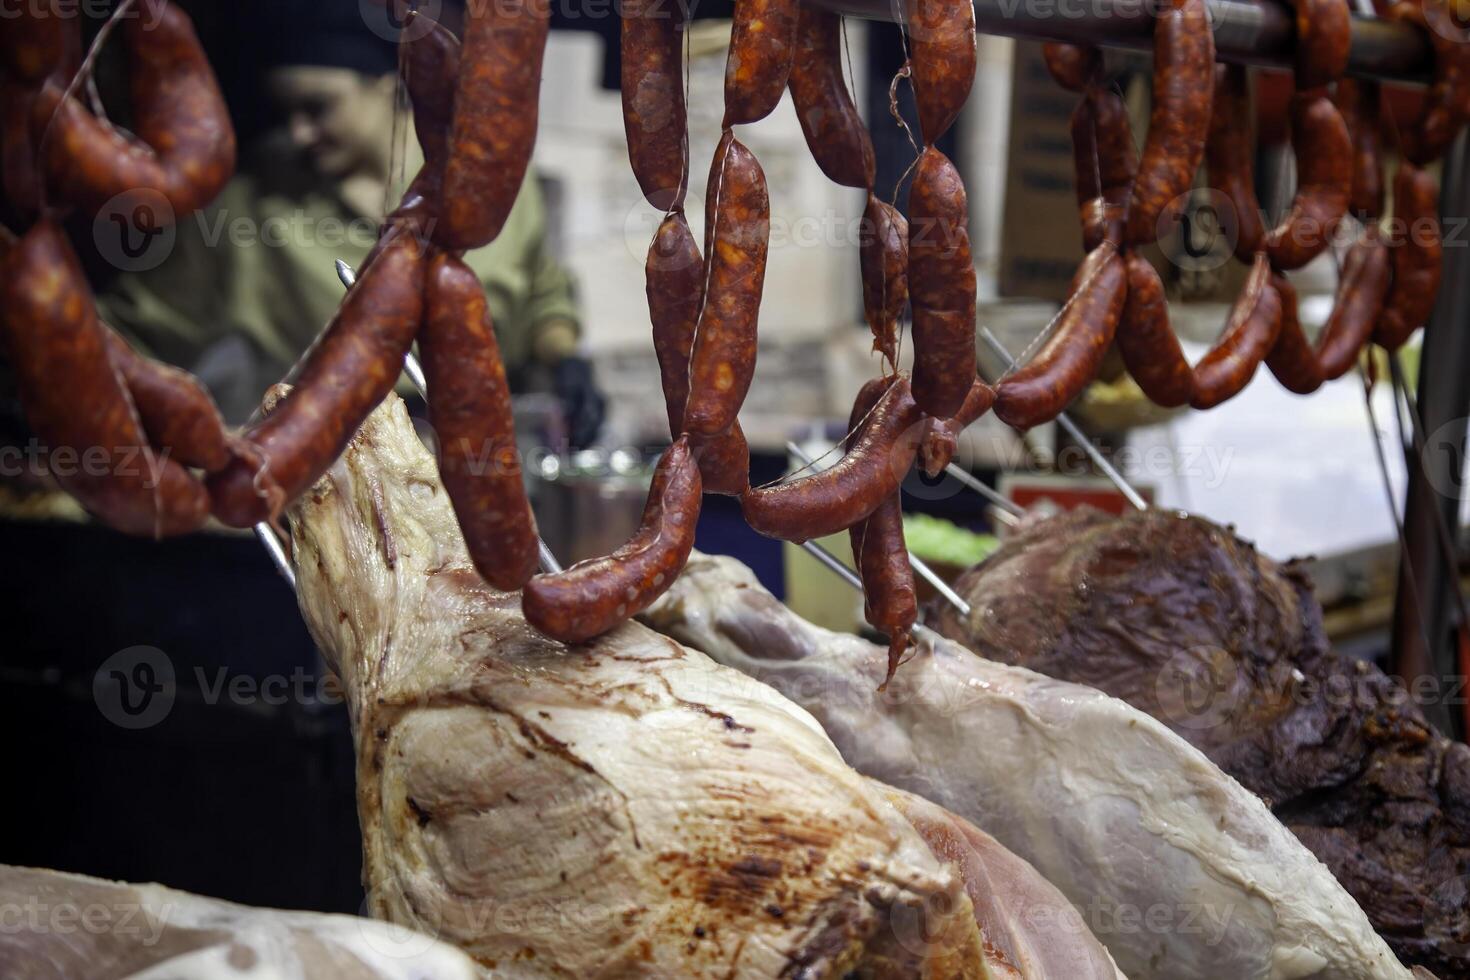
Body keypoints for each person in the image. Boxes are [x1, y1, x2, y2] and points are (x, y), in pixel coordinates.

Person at [99, 1, 604, 446]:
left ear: (385, 84)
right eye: (287, 112)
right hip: (339, 463)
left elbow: (542, 291)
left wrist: (565, 360)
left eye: (318, 108)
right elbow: (144, 323)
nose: (300, 133)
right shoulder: (248, 206)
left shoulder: (486, 176)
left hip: (489, 455)